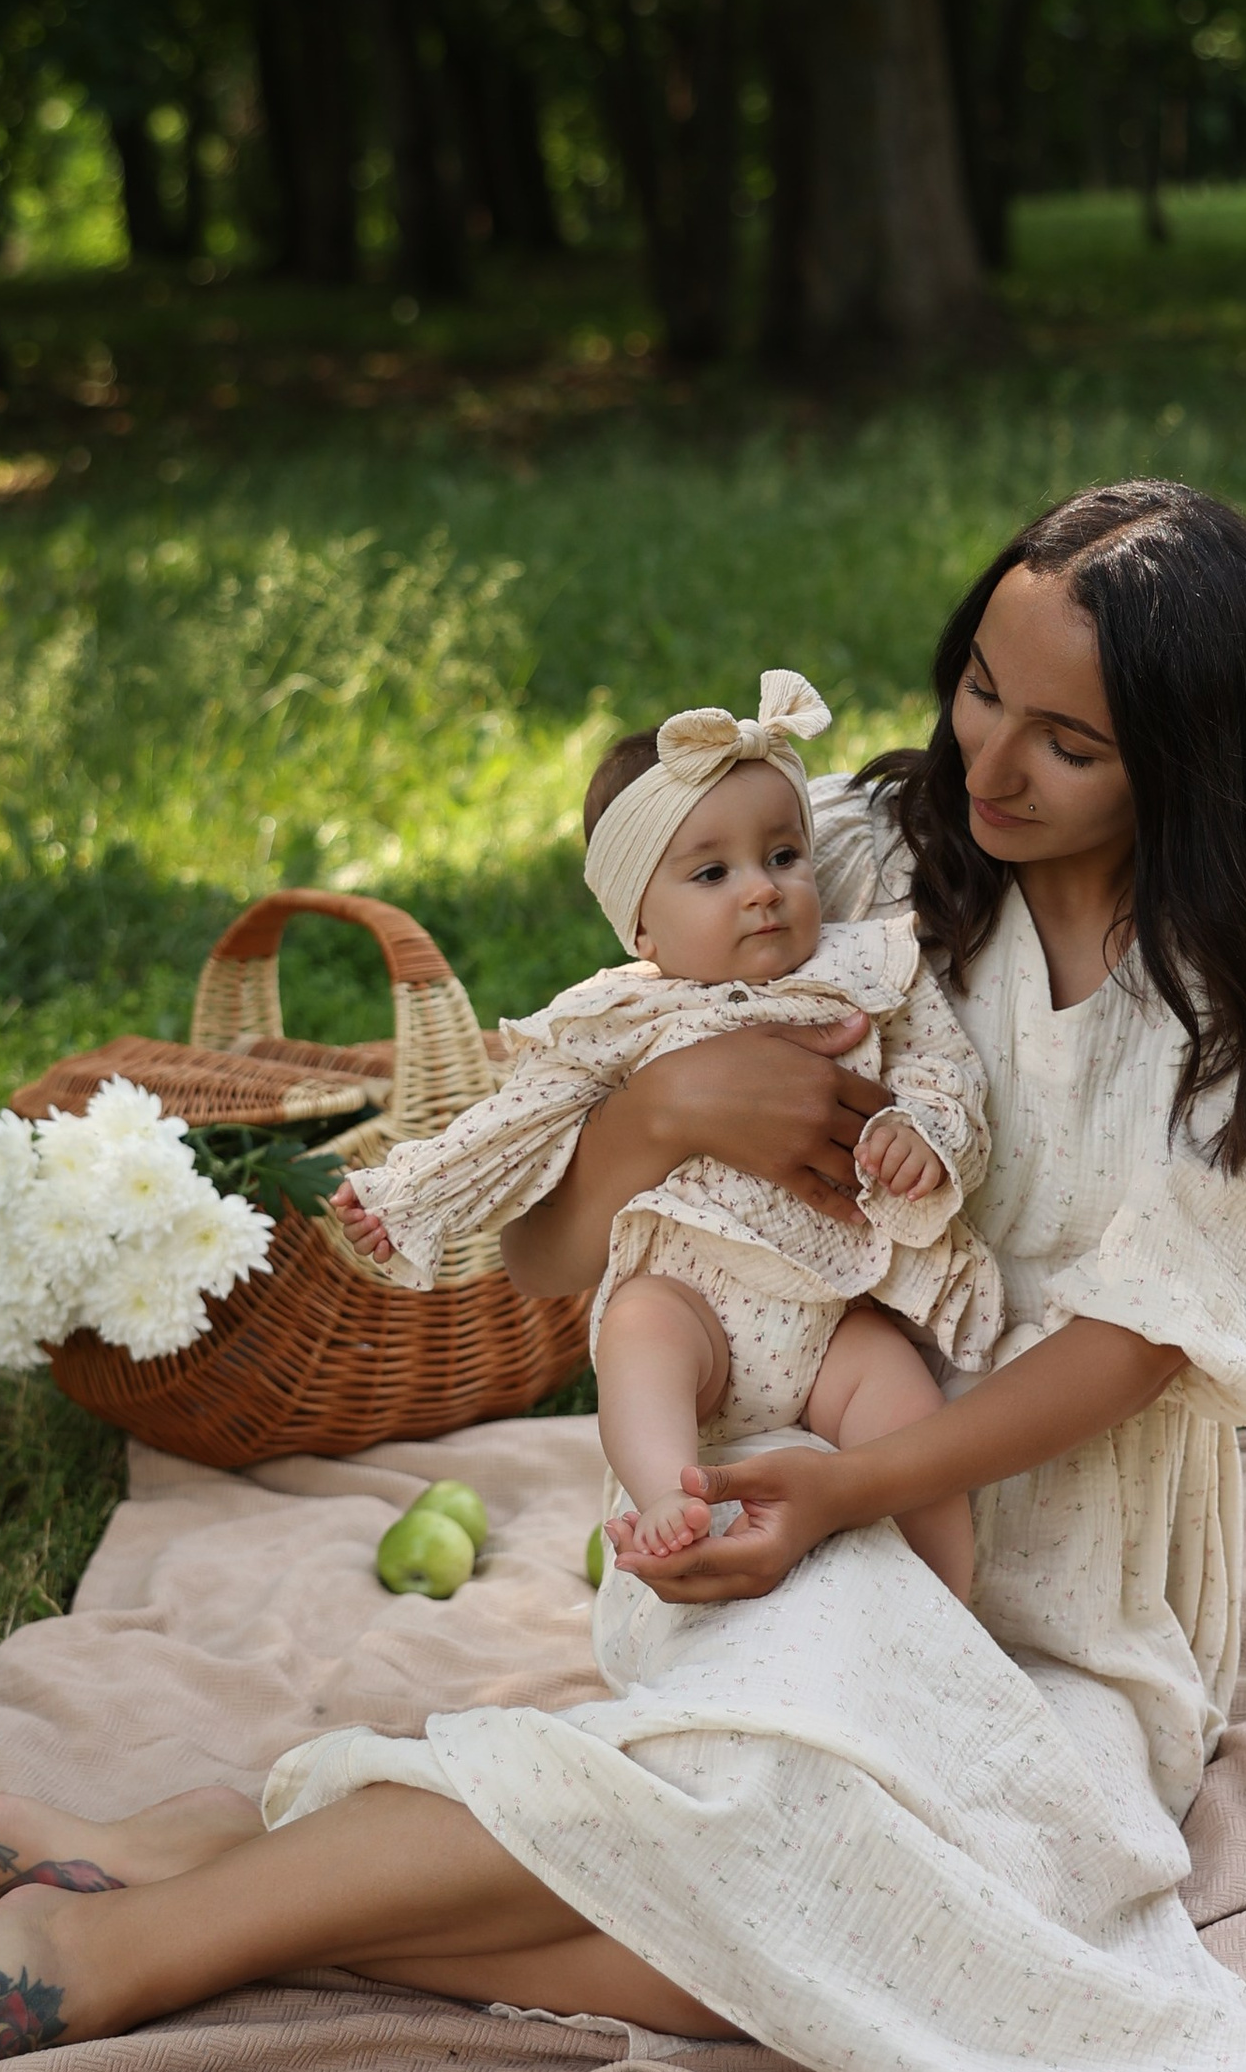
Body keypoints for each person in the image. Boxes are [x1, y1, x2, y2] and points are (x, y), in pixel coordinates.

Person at [0, 480, 1246, 2072]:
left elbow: (1139, 1344)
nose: (990, 764)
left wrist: (862, 1492)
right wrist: (666, 1111)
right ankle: (107, 1962)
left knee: (901, 1938)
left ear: (1193, 760)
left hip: (1065, 1579)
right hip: (769, 1478)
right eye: (980, 687)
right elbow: (557, 1256)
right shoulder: (824, 853)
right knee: (791, 1879)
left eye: (1067, 742)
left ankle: (236, 1862)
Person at [326, 667, 997, 1589]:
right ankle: (667, 1497)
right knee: (638, 1333)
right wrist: (411, 1191)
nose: (761, 891)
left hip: (837, 1308)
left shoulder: (869, 968)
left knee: (907, 1416)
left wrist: (923, 1130)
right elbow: (514, 1123)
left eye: (785, 857)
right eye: (713, 873)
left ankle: (951, 1605)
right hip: (693, 1301)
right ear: (640, 924)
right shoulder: (621, 1016)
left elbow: (943, 1068)